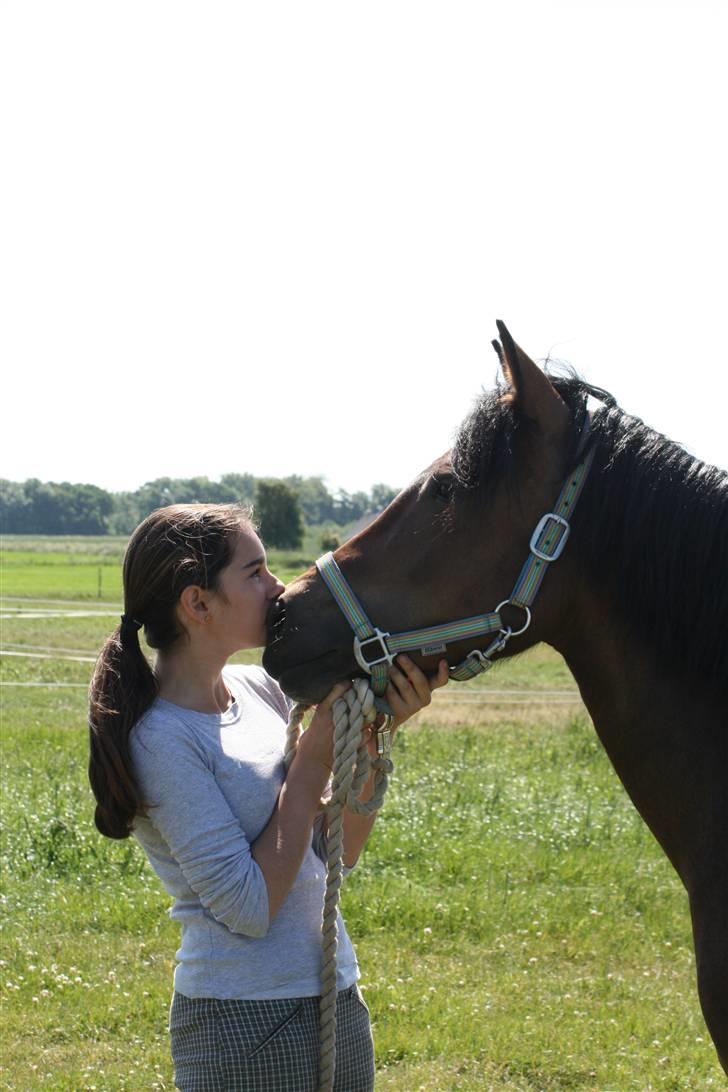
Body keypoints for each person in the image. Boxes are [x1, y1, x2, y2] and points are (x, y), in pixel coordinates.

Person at [88, 503, 448, 1091]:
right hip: (241, 1024)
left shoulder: (261, 690)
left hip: (334, 996)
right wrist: (310, 763)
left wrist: (371, 734)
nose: (277, 584)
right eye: (254, 572)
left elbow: (339, 852)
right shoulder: (160, 740)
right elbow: (249, 907)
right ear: (198, 603)